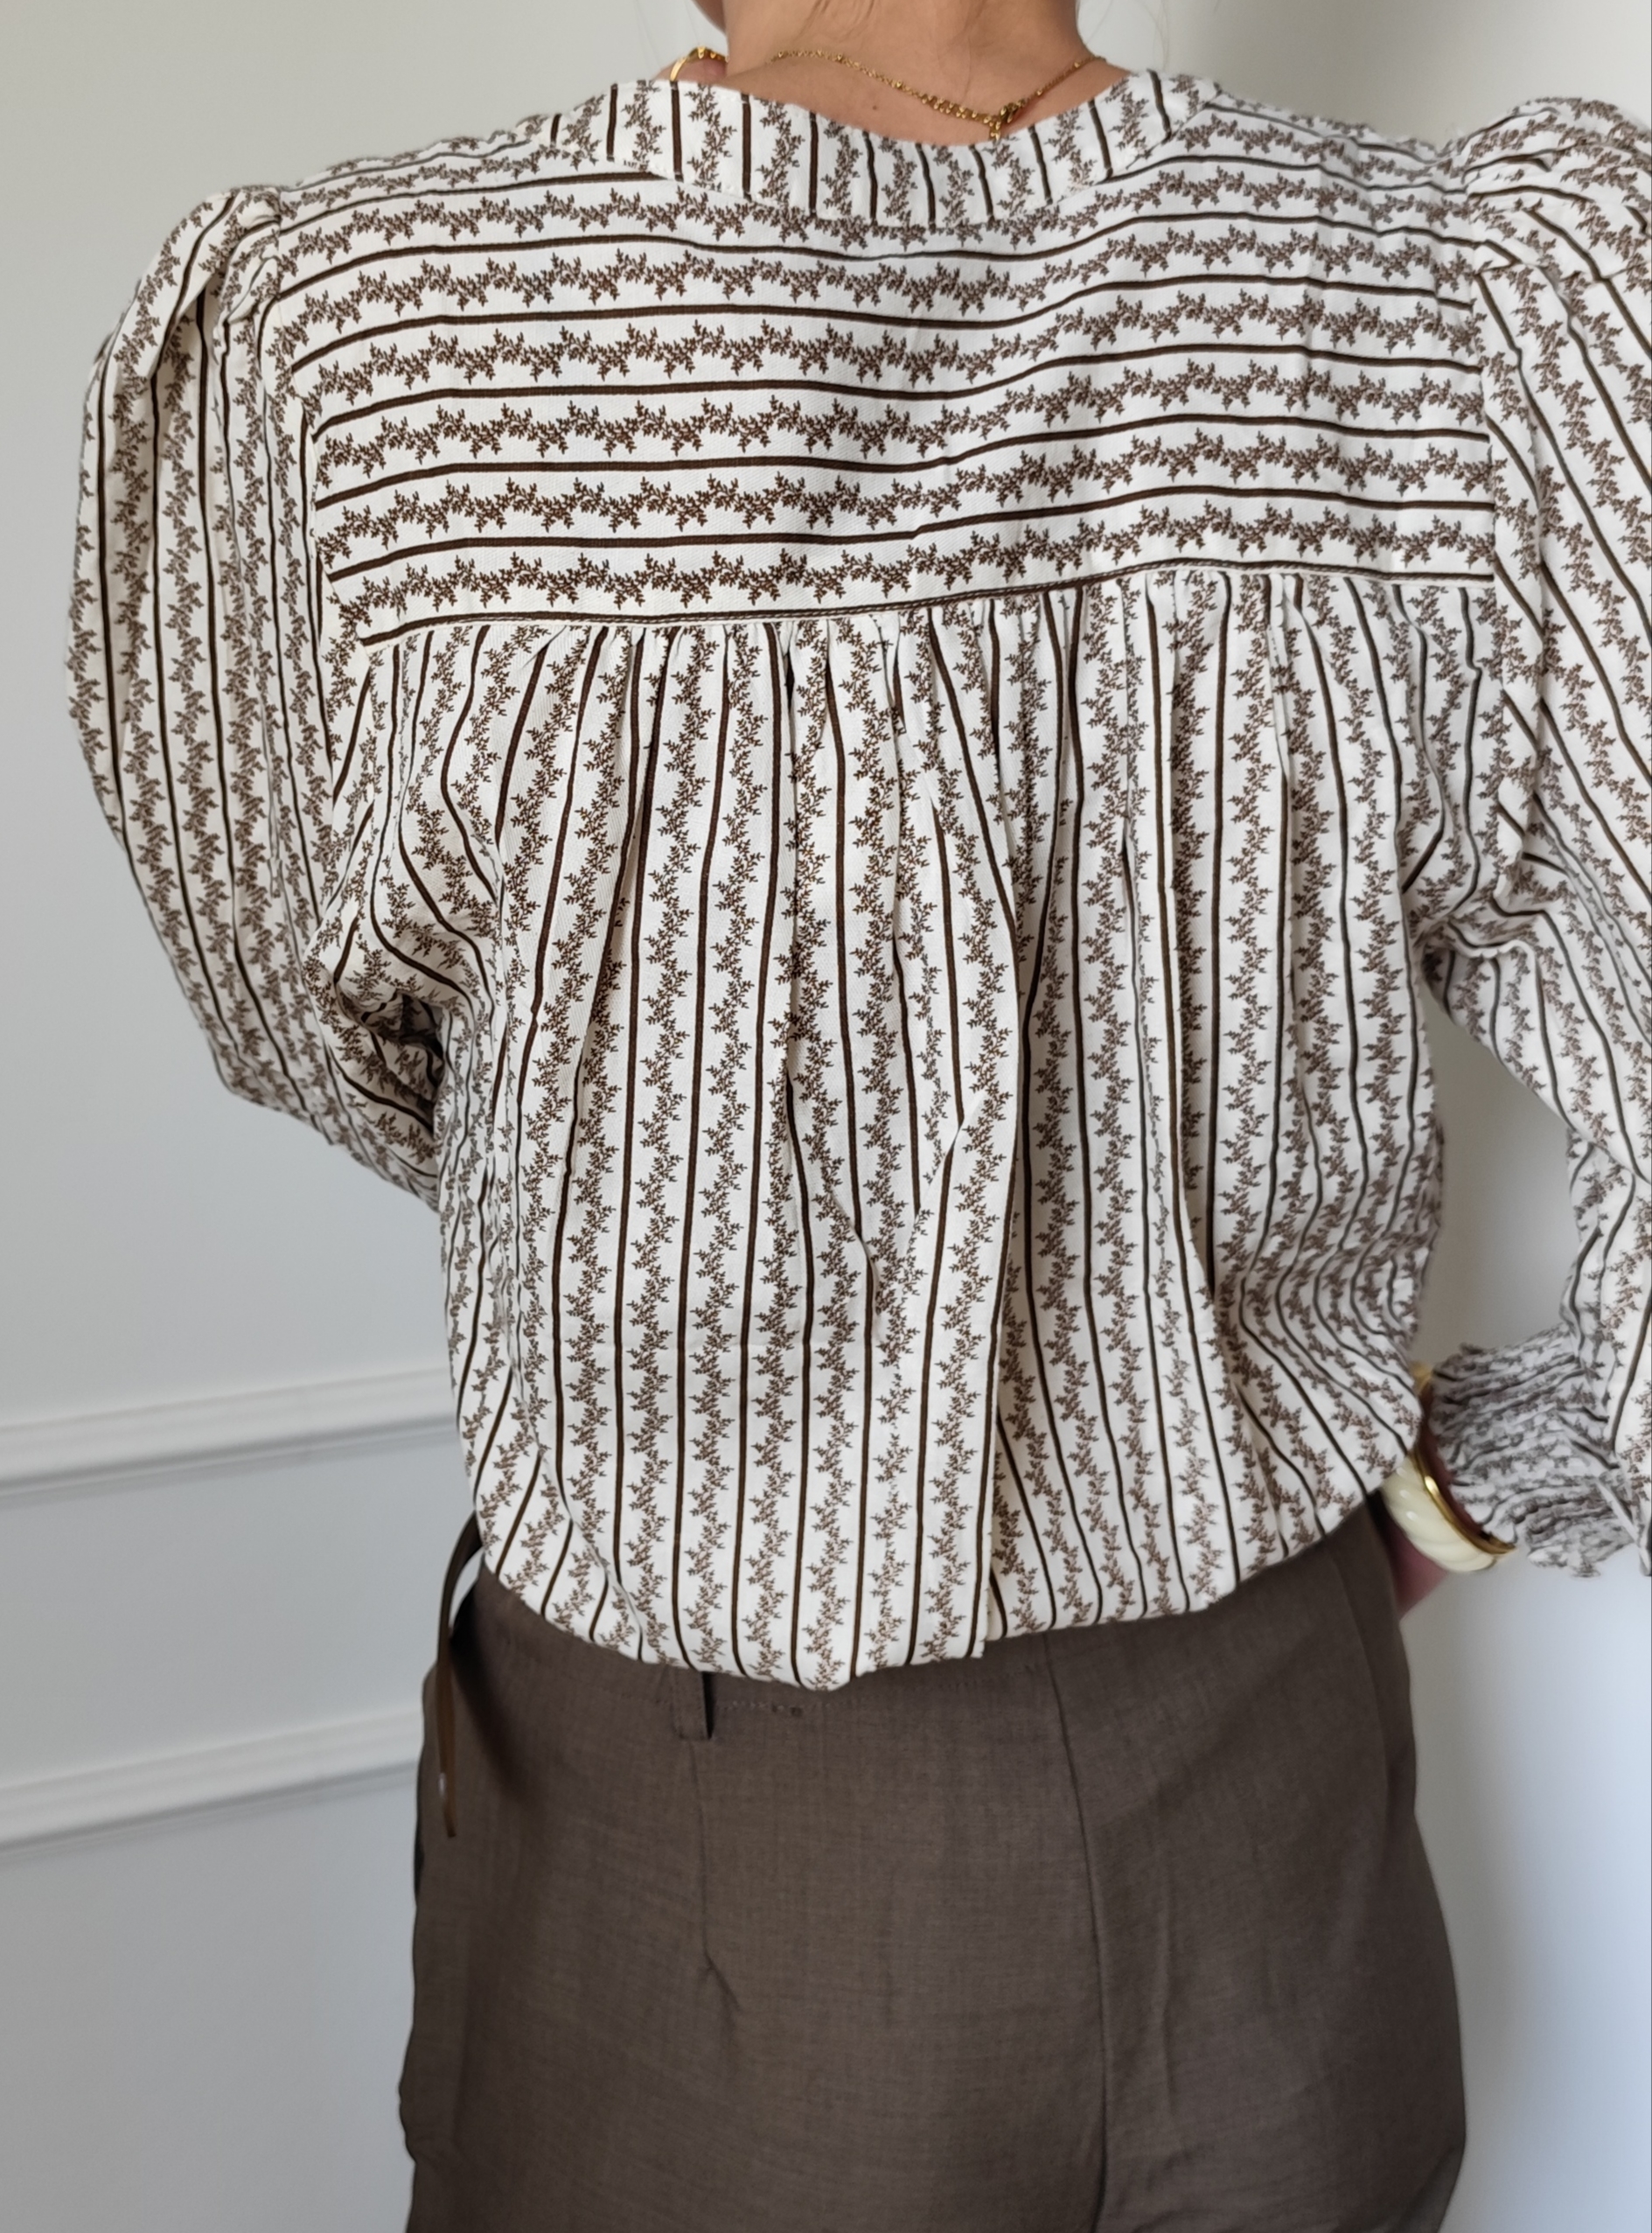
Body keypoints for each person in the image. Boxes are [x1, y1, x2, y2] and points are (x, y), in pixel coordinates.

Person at [68, 2, 1648, 2226]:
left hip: (701, 1861)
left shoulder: (375, 335)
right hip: (1281, 1829)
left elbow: (326, 1034)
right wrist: (1481, 1478)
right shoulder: (1455, 311)